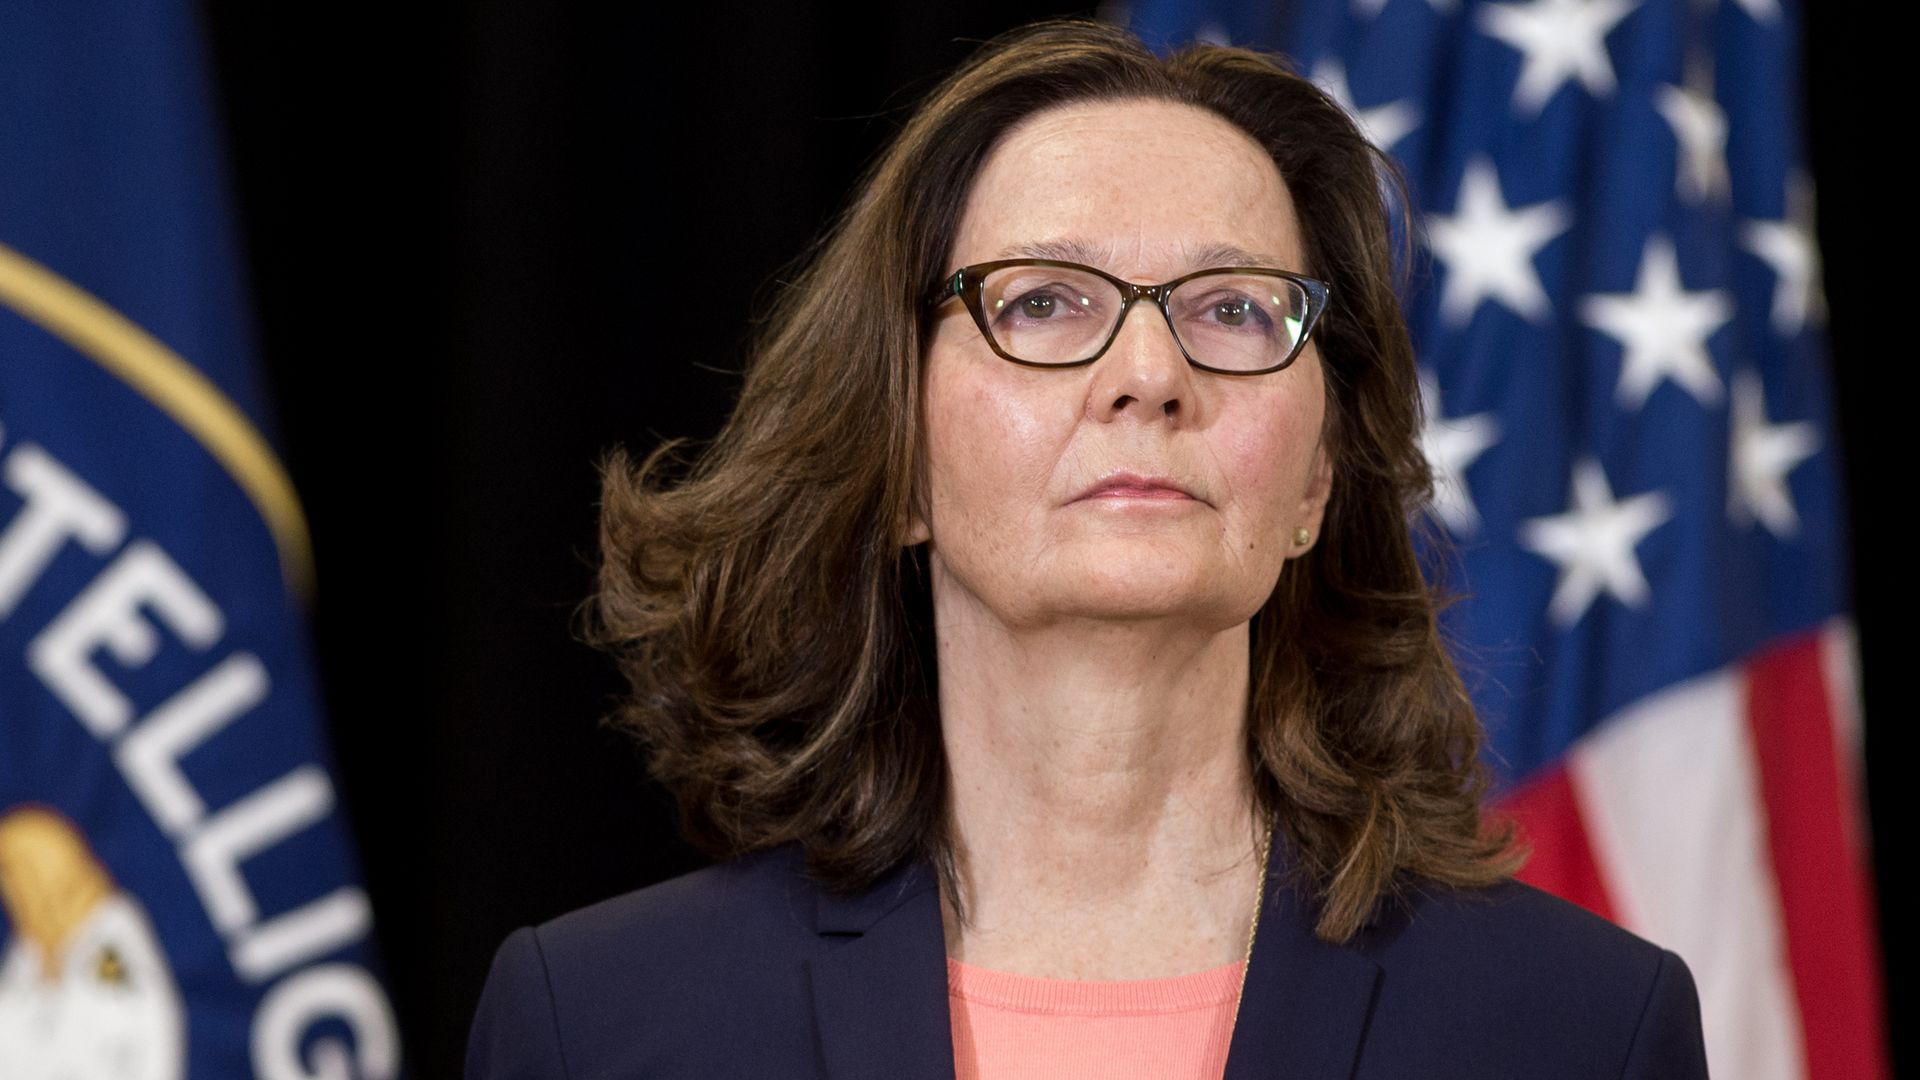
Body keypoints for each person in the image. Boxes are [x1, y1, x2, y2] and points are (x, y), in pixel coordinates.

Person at [465, 17, 1709, 1079]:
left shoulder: (1580, 1029)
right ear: (895, 450)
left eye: (1234, 309)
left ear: (1315, 484)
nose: (1149, 375)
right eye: (1045, 301)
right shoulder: (602, 1023)